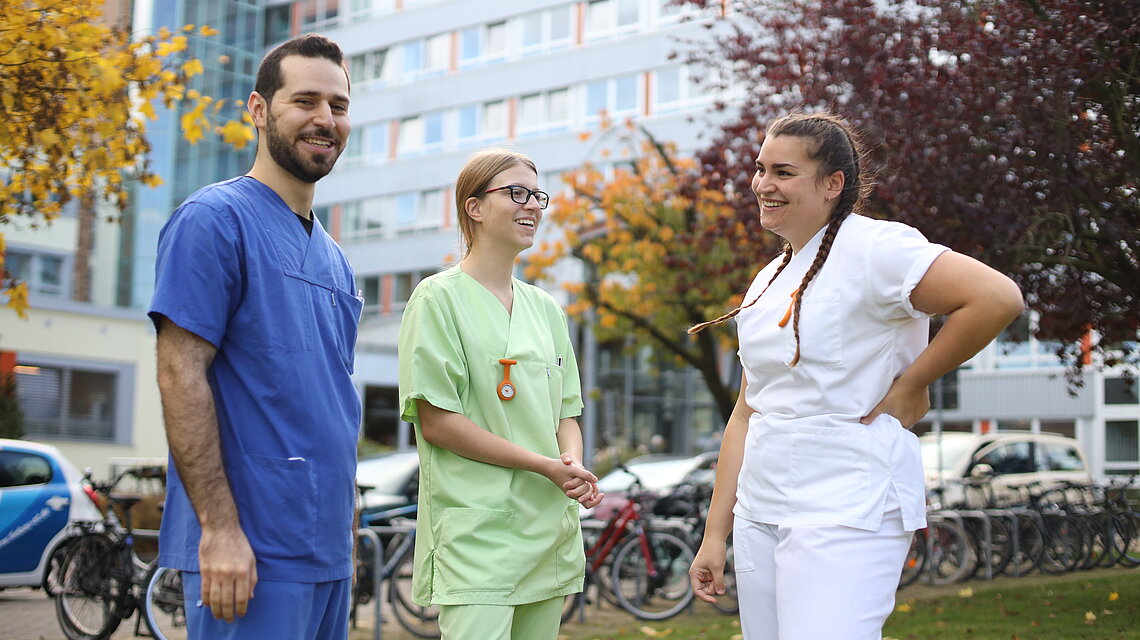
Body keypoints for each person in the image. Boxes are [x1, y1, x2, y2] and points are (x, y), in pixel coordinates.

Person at [687, 112, 1024, 639]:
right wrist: (715, 534)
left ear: (832, 184)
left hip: (848, 505)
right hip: (762, 509)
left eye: (783, 171)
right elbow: (747, 415)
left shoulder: (876, 248)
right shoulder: (768, 277)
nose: (763, 184)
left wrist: (913, 383)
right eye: (760, 168)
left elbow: (995, 298)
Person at [149, 34, 361, 639]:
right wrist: (217, 527)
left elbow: (328, 401)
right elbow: (179, 373)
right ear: (259, 109)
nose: (325, 119)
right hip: (248, 552)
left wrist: (346, 526)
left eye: (339, 106)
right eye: (306, 101)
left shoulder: (337, 260)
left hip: (324, 553)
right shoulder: (214, 221)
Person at [397, 148, 604, 640]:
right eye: (516, 193)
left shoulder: (548, 310)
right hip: (477, 535)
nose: (532, 205)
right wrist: (546, 466)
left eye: (537, 195)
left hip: (546, 530)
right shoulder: (437, 298)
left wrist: (570, 463)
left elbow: (566, 415)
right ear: (474, 207)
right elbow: (438, 422)